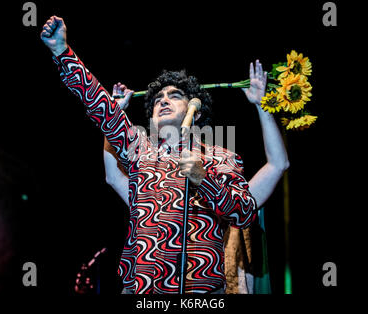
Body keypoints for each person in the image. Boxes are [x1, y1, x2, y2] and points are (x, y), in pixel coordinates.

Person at [41, 15, 289, 294]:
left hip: (202, 291)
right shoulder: (140, 149)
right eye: (158, 99)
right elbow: (102, 110)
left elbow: (244, 213)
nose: (163, 101)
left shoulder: (221, 156)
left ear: (195, 111)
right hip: (142, 289)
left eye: (174, 95)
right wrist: (62, 52)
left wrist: (203, 178)